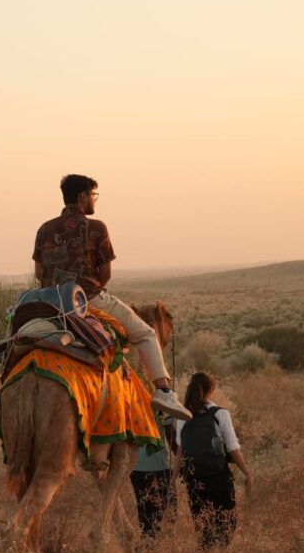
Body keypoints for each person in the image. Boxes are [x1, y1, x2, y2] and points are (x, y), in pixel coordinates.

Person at [32, 174, 190, 421]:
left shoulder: (44, 229)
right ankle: (163, 390)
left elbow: (39, 273)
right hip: (87, 301)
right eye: (93, 195)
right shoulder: (96, 228)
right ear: (83, 197)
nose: (94, 200)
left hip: (49, 304)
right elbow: (105, 275)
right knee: (146, 333)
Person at [172, 371, 253, 547]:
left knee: (202, 525)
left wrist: (173, 478)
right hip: (219, 478)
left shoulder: (182, 417)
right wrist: (247, 473)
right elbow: (232, 447)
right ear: (211, 389)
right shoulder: (220, 414)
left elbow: (180, 451)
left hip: (194, 481)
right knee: (226, 522)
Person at [130, 413, 178, 536]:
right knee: (166, 513)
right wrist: (181, 459)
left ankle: (148, 548)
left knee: (144, 513)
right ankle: (159, 549)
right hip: (159, 465)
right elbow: (169, 432)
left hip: (136, 466)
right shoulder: (162, 395)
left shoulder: (129, 395)